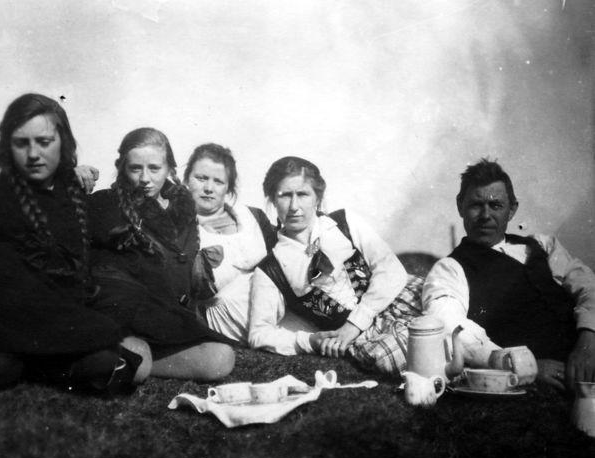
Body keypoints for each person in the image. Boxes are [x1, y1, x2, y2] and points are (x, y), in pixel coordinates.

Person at [0, 93, 143, 394]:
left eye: (44, 142)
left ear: (63, 143)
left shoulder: (71, 195)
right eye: (22, 143)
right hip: (8, 317)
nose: (33, 154)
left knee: (107, 354)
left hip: (55, 319)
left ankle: (43, 361)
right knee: (1, 367)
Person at [421, 158, 595, 391]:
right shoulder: (449, 269)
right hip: (551, 379)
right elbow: (449, 324)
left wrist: (588, 340)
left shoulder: (544, 245)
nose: (485, 215)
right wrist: (523, 365)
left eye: (496, 205)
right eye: (476, 205)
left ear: (512, 210)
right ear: (460, 206)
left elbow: (588, 287)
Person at [247, 156, 423, 377]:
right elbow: (259, 333)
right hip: (367, 339)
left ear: (318, 198)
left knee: (445, 314)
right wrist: (309, 340)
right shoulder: (271, 270)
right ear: (272, 200)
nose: (294, 206)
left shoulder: (344, 223)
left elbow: (391, 270)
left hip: (398, 298)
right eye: (284, 195)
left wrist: (354, 324)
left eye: (302, 194)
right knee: (407, 357)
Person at [88, 129, 235, 380]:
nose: (145, 178)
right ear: (122, 168)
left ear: (170, 169)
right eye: (135, 168)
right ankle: (131, 359)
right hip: (124, 318)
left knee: (221, 359)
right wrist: (68, 180)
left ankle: (137, 362)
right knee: (138, 359)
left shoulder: (184, 209)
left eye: (154, 168)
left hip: (168, 319)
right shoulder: (105, 204)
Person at [182, 143, 276, 343]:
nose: (208, 188)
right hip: (219, 326)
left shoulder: (254, 217)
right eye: (201, 178)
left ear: (228, 187)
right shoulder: (178, 228)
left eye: (218, 181)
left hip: (272, 315)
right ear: (187, 179)